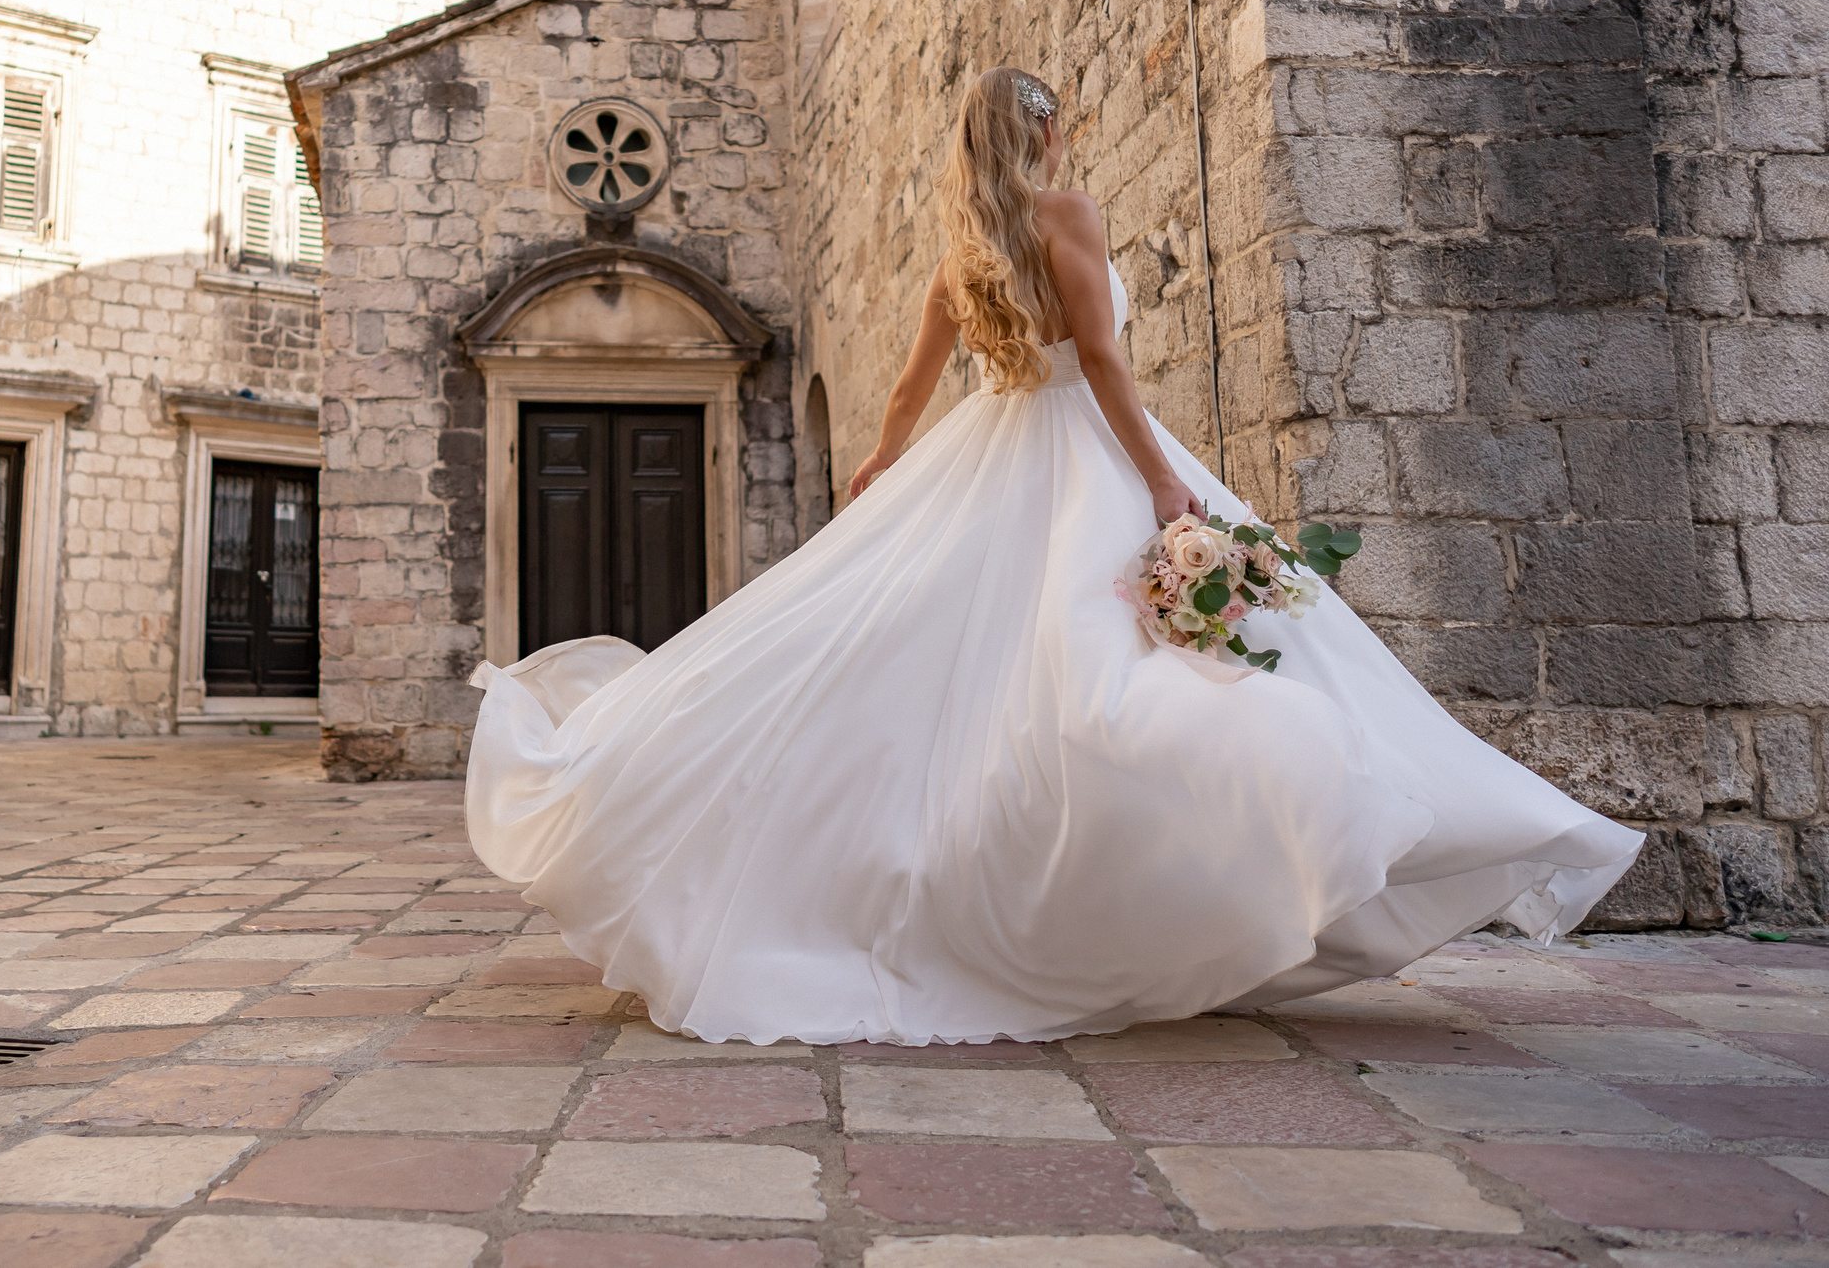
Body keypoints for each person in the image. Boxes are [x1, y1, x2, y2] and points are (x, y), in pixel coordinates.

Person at [462, 65, 1643, 1047]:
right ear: (1040, 132)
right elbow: (1107, 365)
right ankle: (1233, 874)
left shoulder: (960, 250)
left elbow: (914, 392)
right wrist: (1165, 482)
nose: (1067, 135)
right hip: (1082, 445)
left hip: (986, 447)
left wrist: (880, 472)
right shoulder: (1062, 215)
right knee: (1126, 671)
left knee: (963, 674)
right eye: (1059, 120)